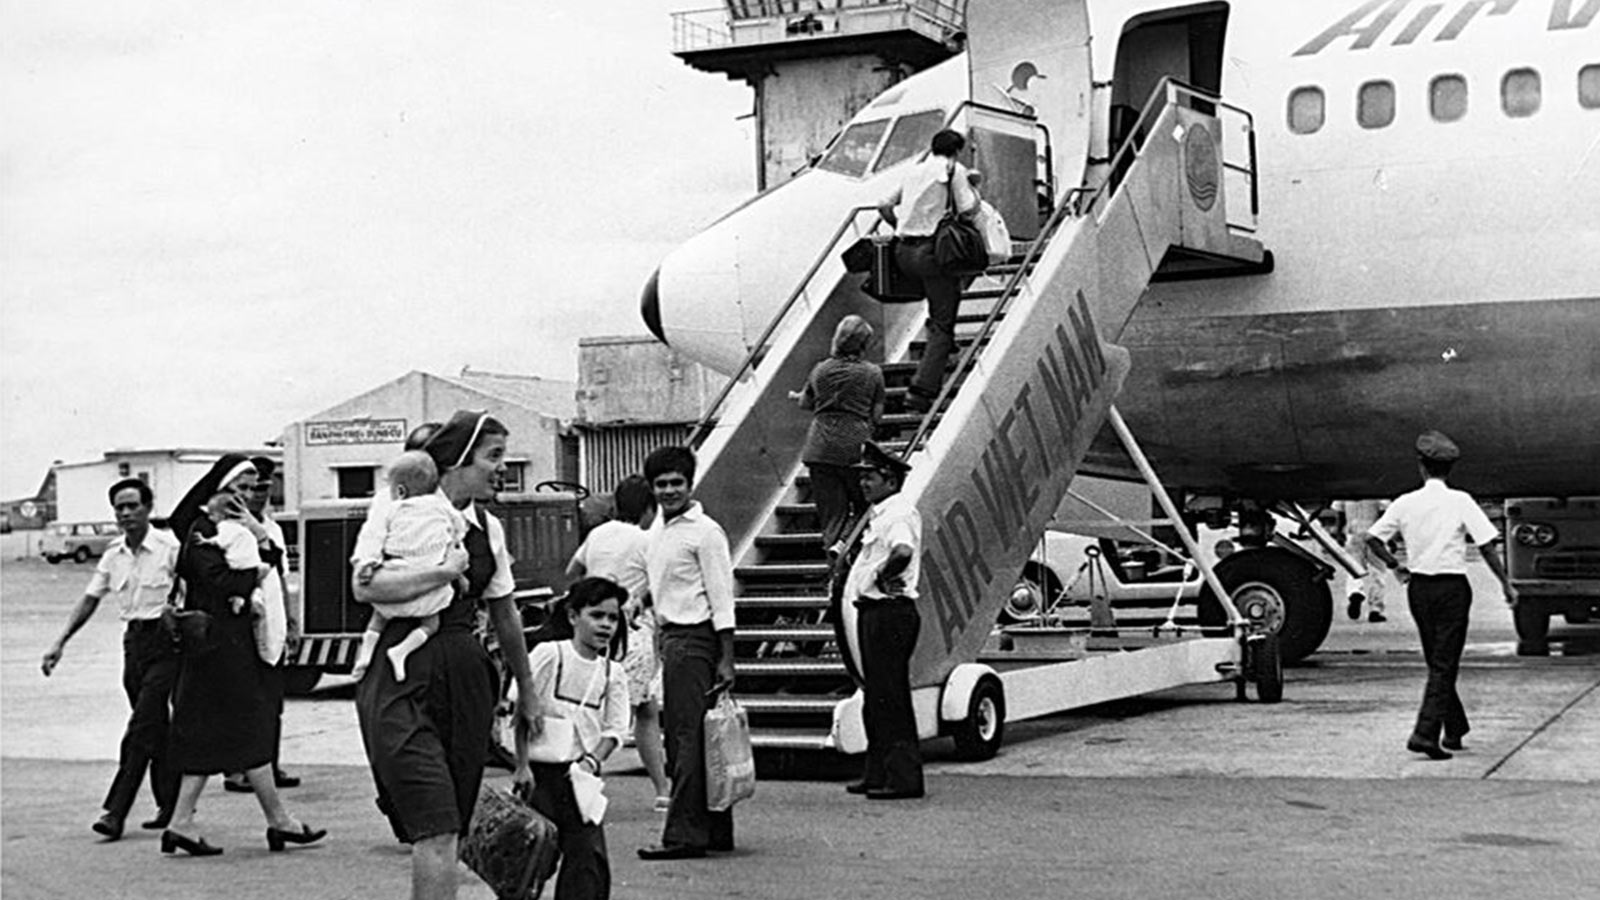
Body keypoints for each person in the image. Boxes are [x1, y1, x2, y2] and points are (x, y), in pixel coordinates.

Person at [353, 410, 539, 900]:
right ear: (458, 460)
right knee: (432, 822)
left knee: (449, 824)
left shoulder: (489, 530)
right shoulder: (398, 505)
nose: (503, 467)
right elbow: (364, 584)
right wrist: (440, 575)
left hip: (465, 674)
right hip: (400, 666)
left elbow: (505, 614)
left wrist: (528, 692)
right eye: (493, 457)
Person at [161, 455, 325, 856]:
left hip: (225, 647)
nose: (246, 496)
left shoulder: (231, 529)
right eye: (240, 488)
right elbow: (218, 579)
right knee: (250, 728)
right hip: (218, 649)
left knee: (213, 734)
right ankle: (277, 821)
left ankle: (184, 822)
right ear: (218, 490)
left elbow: (267, 562)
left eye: (251, 489)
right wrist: (258, 570)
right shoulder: (201, 529)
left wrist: (259, 550)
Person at [41, 478, 182, 840]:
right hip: (134, 645)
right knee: (155, 728)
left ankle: (114, 811)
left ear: (149, 508)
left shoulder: (169, 548)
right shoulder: (113, 554)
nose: (126, 513)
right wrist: (60, 642)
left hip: (167, 645)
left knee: (140, 727)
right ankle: (172, 805)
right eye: (119, 507)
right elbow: (90, 599)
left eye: (133, 505)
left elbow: (192, 593)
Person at [1365, 430, 1515, 762]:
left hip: (1419, 589)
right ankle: (1425, 734)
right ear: (1450, 468)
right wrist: (1506, 583)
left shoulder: (1405, 502)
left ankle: (1455, 726)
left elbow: (1373, 539)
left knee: (1437, 661)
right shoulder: (1460, 501)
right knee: (1445, 663)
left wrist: (1395, 566)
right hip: (1452, 589)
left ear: (1421, 466)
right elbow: (1487, 546)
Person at [636, 446, 737, 861]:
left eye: (676, 483)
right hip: (671, 636)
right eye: (661, 484)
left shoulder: (705, 532)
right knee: (695, 736)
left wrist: (726, 656)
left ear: (690, 484)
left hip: (695, 640)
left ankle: (683, 834)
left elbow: (722, 596)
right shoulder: (660, 530)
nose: (669, 490)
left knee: (685, 738)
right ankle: (714, 830)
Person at [522, 577, 632, 900]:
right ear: (573, 616)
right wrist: (520, 765)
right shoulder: (549, 654)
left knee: (588, 859)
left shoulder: (613, 673)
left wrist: (592, 760)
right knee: (530, 861)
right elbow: (519, 706)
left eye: (613, 618)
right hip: (539, 774)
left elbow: (616, 729)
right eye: (596, 615)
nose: (606, 625)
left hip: (579, 777)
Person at [566, 474, 671, 811]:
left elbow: (573, 570)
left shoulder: (597, 534)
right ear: (648, 509)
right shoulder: (646, 540)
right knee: (643, 714)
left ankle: (582, 785)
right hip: (632, 632)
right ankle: (661, 790)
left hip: (597, 633)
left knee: (597, 710)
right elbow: (661, 582)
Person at [843, 441, 925, 800]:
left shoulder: (899, 513)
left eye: (870, 477)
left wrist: (877, 576)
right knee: (876, 696)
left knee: (890, 697)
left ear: (890, 480)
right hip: (873, 613)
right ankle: (877, 772)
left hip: (889, 613)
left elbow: (902, 551)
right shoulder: (881, 513)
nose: (863, 483)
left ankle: (903, 778)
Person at [876, 128, 979, 412]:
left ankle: (945, 346)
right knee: (944, 320)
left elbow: (884, 204)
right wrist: (974, 187)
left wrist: (898, 226)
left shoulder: (914, 170)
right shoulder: (953, 169)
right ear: (956, 150)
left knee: (940, 306)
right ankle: (921, 392)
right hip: (932, 253)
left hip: (903, 252)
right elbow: (968, 209)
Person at [350, 451, 468, 682]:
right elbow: (457, 535)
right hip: (433, 588)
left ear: (400, 491)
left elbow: (374, 538)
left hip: (397, 572)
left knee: (378, 618)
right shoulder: (443, 509)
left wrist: (368, 563)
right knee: (431, 623)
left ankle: (365, 653)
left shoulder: (392, 508)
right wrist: (458, 571)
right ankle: (402, 650)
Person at [224, 456, 301, 793]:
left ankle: (269, 765)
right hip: (242, 624)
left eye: (265, 489)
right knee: (241, 699)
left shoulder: (273, 528)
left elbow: (281, 575)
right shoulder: (229, 527)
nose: (259, 495)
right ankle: (236, 768)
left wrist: (291, 618)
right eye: (253, 488)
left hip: (272, 620)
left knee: (272, 699)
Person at [794, 315, 885, 556]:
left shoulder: (820, 369)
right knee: (866, 507)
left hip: (819, 447)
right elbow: (876, 415)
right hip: (854, 446)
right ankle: (850, 549)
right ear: (864, 345)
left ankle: (835, 566)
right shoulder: (873, 373)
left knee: (832, 515)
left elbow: (805, 402)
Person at [1339, 499, 1392, 623]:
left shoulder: (1346, 490)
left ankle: (1355, 592)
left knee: (1353, 568)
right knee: (1379, 572)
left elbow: (1339, 512)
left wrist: (1339, 532)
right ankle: (1375, 609)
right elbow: (1385, 513)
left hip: (1352, 533)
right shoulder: (1377, 491)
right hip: (1375, 535)